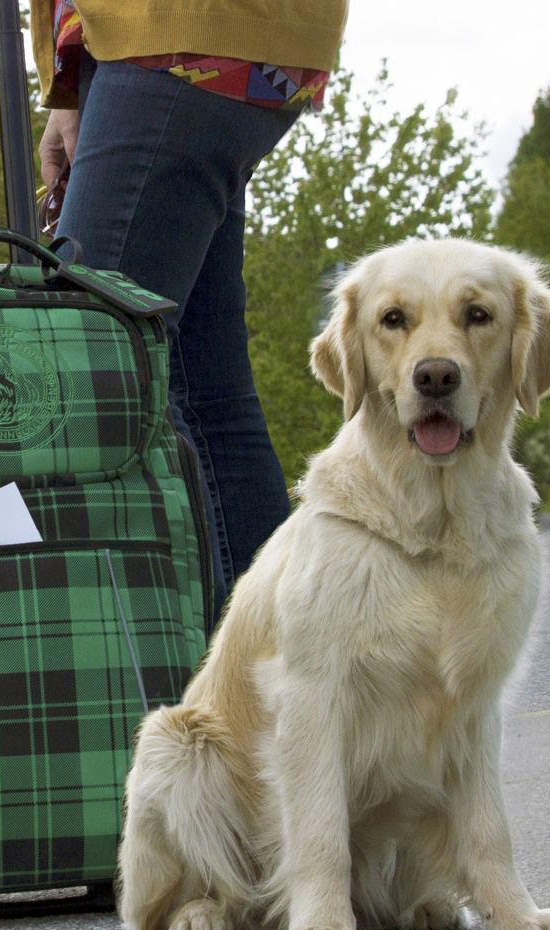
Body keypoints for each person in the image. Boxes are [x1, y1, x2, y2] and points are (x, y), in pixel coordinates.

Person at [28, 0, 349, 612]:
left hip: (176, 39)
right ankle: (278, 673)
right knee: (200, 392)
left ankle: (210, 671)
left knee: (96, 368)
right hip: (161, 40)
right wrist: (69, 85)